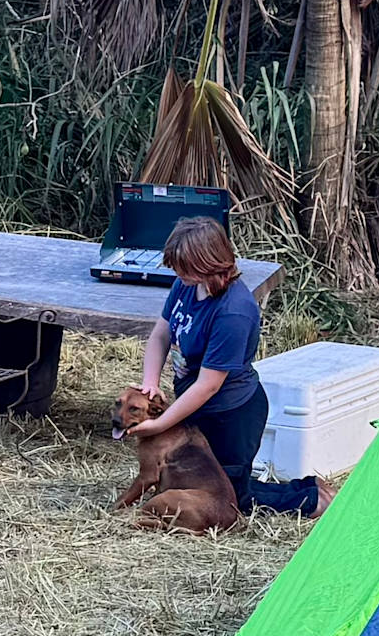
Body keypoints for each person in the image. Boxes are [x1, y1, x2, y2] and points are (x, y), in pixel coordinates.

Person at [129, 216, 319, 516]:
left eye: (184, 266)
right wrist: (150, 382)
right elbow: (161, 334)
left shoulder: (234, 311)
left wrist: (161, 424)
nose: (177, 272)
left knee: (231, 499)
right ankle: (309, 488)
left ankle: (314, 499)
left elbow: (209, 385)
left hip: (231, 414)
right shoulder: (186, 285)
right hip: (198, 406)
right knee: (199, 482)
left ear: (208, 263)